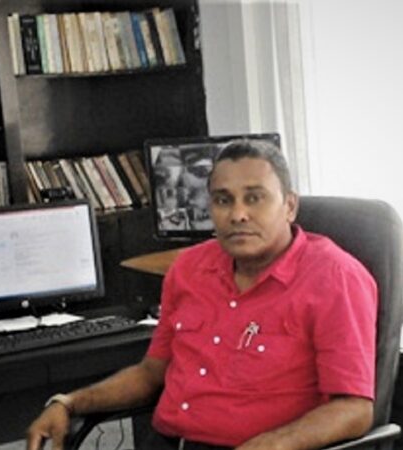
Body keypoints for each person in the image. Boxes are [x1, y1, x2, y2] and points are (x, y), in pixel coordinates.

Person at [27, 139, 377, 450]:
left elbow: (355, 409)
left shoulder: (334, 278)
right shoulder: (189, 268)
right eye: (223, 200)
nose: (238, 214)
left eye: (254, 198)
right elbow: (151, 373)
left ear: (289, 206)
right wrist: (69, 403)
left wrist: (275, 444)